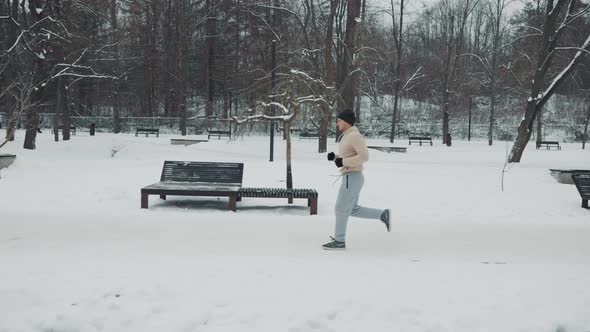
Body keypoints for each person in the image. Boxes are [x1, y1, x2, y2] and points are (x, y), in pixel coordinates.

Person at [323, 110, 390, 250]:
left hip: (352, 177)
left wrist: (343, 162)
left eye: (339, 120)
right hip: (351, 177)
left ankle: (339, 242)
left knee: (341, 208)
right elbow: (347, 157)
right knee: (352, 209)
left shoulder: (354, 136)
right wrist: (335, 158)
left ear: (346, 121)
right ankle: (382, 215)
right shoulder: (347, 136)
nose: (337, 123)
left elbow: (364, 157)